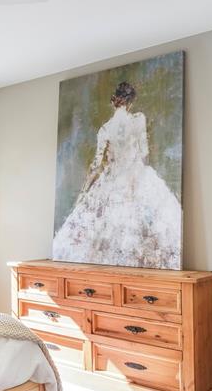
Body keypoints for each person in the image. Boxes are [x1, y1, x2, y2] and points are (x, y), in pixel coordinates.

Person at [52, 82, 181, 269]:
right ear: (130, 102)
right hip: (135, 175)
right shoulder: (138, 119)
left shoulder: (105, 129)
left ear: (115, 101)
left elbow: (96, 164)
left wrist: (85, 190)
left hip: (112, 180)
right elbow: (144, 152)